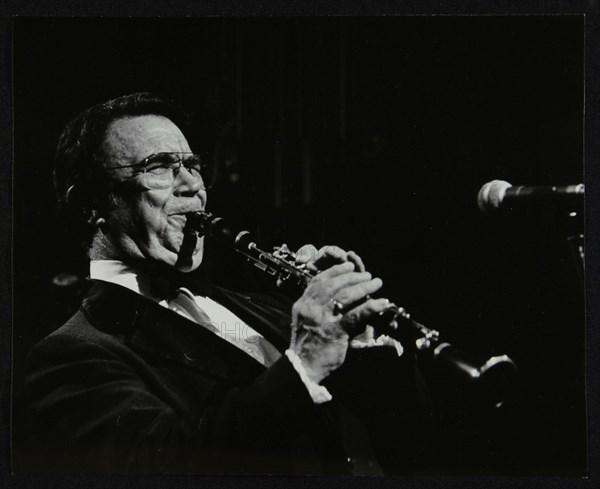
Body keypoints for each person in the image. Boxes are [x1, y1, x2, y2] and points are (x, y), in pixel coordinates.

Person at [15, 93, 432, 475]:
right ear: (91, 204)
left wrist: (359, 337)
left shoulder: (261, 306)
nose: (192, 185)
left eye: (193, 166)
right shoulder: (71, 353)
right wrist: (303, 363)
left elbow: (399, 432)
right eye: (159, 167)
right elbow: (165, 468)